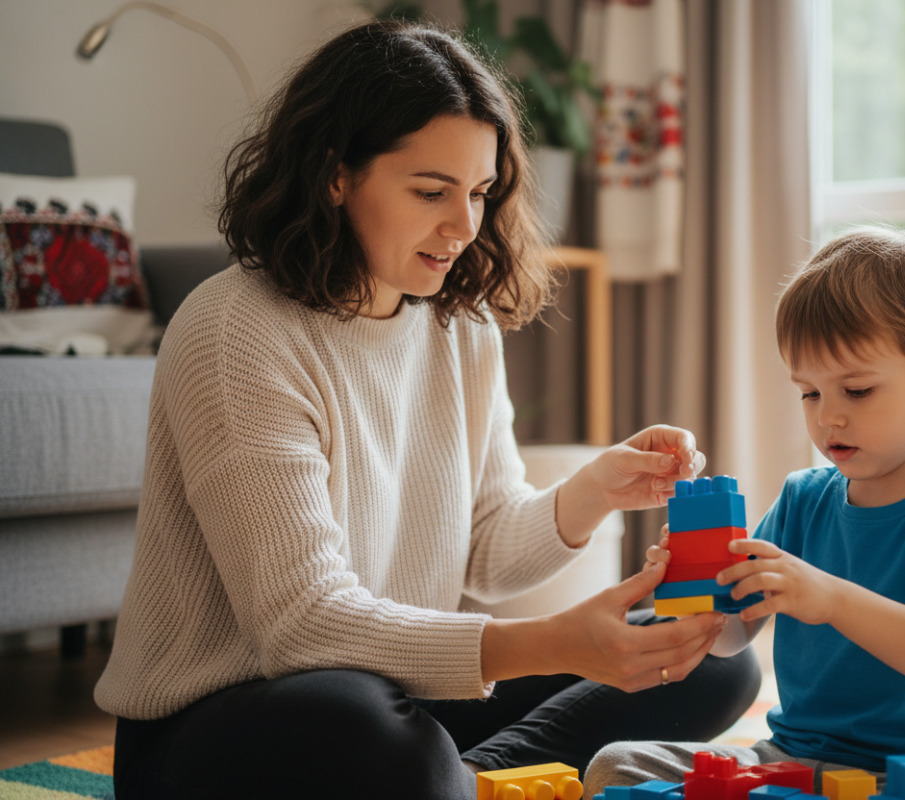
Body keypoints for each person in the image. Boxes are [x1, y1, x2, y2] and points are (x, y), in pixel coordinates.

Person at [93, 20, 759, 800]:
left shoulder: (460, 326)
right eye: (431, 191)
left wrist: (594, 490)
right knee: (369, 728)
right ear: (336, 174)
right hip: (224, 725)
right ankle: (445, 779)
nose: (465, 225)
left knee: (706, 660)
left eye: (479, 192)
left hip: (402, 692)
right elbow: (301, 625)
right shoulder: (236, 330)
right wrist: (551, 644)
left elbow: (485, 551)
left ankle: (465, 783)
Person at [582, 226, 905, 800]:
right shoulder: (802, 498)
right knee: (615, 766)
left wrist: (830, 598)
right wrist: (694, 586)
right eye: (810, 393)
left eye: (858, 391)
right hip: (789, 760)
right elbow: (729, 640)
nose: (829, 419)